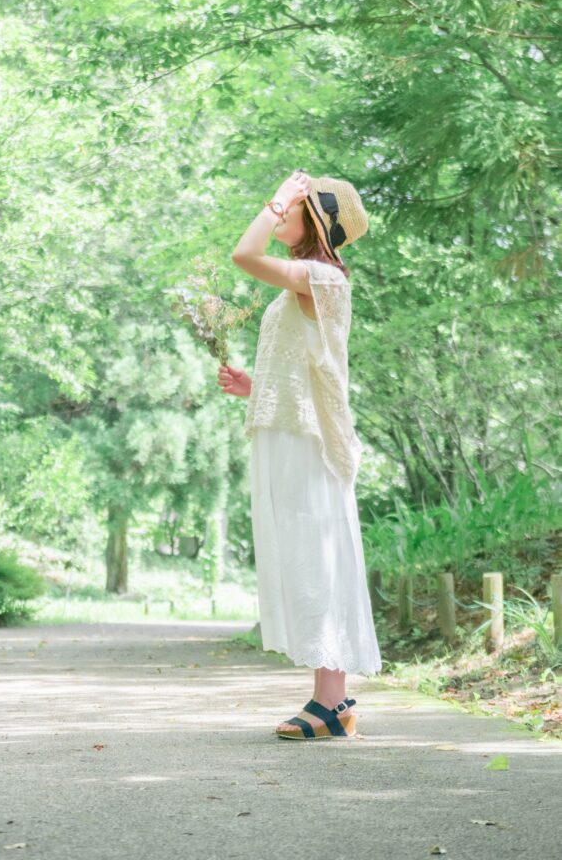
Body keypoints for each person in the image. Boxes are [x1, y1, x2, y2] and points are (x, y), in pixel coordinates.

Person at [218, 169, 382, 741]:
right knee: (302, 557)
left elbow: (244, 254)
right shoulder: (307, 281)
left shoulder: (324, 277)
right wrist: (255, 385)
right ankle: (331, 699)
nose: (282, 210)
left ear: (313, 219)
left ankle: (332, 703)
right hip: (288, 430)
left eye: (293, 206)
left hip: (310, 440)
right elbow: (304, 364)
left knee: (317, 558)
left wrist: (275, 200)